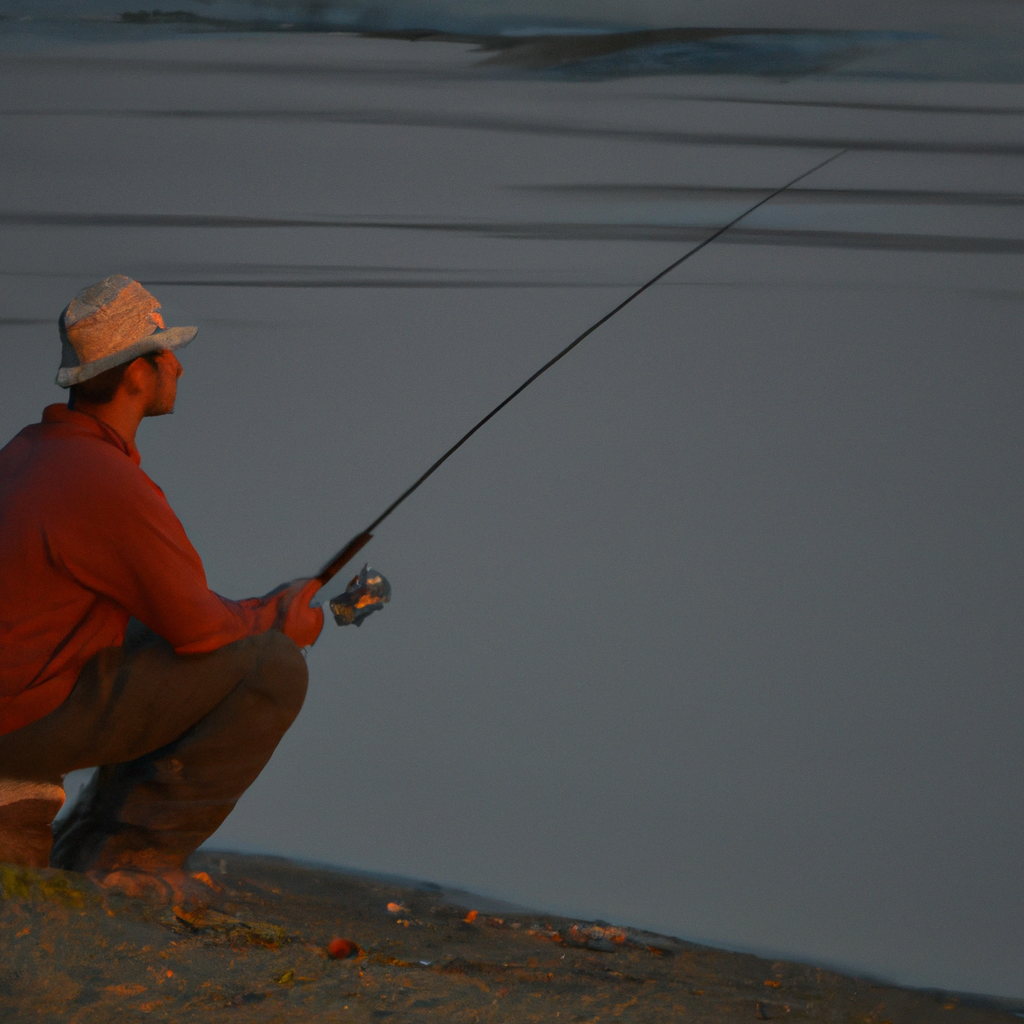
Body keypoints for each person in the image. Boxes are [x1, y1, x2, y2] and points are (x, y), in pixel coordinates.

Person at [0, 275, 324, 898]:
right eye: (163, 351)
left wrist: (259, 611)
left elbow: (173, 613)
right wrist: (275, 623)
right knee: (271, 667)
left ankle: (85, 839)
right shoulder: (103, 480)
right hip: (19, 726)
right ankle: (127, 862)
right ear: (135, 375)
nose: (176, 364)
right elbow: (198, 629)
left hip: (17, 699)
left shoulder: (27, 451)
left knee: (160, 636)